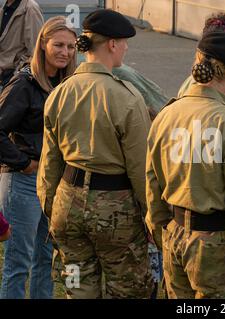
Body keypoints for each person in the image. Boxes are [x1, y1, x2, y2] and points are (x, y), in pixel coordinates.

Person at [146, 31, 225, 299]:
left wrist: (163, 233)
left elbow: (152, 182)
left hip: (175, 235)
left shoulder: (168, 113)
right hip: (216, 244)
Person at [36, 9, 153, 299]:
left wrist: (52, 208)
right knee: (127, 289)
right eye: (124, 42)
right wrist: (153, 217)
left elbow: (49, 163)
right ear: (112, 44)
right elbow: (141, 169)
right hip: (116, 210)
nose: (125, 48)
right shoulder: (126, 97)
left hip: (67, 203)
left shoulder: (60, 93)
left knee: (77, 286)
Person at [0, 16, 76, 299]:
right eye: (58, 45)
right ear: (43, 45)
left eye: (70, 46)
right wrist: (23, 163)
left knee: (46, 258)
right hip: (23, 183)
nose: (64, 52)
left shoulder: (68, 85)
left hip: (53, 185)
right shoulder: (24, 84)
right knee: (18, 262)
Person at [0, 0, 43, 89]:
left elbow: (35, 51)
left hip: (13, 78)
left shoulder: (31, 8)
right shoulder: (4, 7)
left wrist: (16, 75)